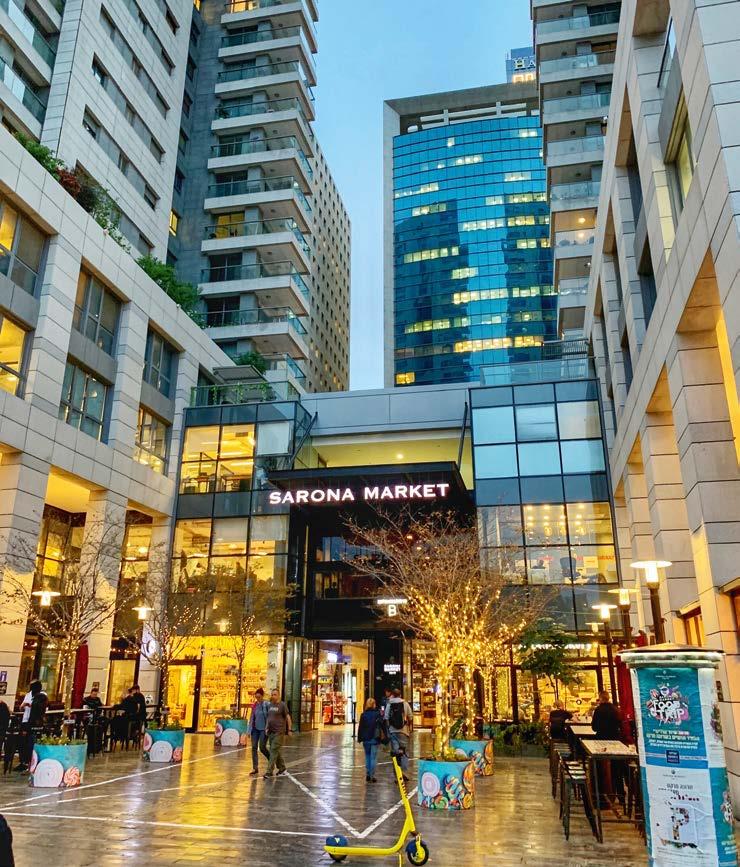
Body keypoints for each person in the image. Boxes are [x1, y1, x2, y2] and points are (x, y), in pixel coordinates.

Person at [17, 680, 46, 772]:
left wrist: (32, 705)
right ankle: (23, 762)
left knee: (30, 742)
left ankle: (30, 761)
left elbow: (39, 710)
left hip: (33, 722)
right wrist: (24, 705)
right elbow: (21, 707)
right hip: (25, 720)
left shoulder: (41, 696)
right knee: (22, 742)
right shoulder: (28, 695)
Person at [385, 688, 413, 782]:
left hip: (393, 731)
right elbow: (410, 716)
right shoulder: (405, 703)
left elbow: (386, 717)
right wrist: (409, 727)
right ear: (400, 695)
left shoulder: (389, 704)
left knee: (395, 753)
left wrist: (389, 728)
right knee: (404, 752)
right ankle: (404, 772)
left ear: (392, 695)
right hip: (403, 731)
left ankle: (397, 774)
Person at [263, 688, 291, 779]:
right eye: (272, 694)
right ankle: (282, 768)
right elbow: (269, 717)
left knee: (273, 750)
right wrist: (266, 727)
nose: (273, 696)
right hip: (271, 732)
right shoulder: (270, 705)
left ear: (278, 695)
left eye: (275, 694)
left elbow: (288, 717)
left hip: (279, 732)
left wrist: (289, 729)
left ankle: (269, 771)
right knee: (276, 750)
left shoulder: (282, 705)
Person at [357, 698, 382, 783]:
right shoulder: (377, 714)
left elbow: (360, 727)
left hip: (366, 739)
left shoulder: (363, 715)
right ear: (374, 704)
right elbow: (381, 725)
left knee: (367, 756)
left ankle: (368, 773)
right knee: (373, 757)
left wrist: (359, 738)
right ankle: (372, 775)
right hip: (374, 738)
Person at [247, 688, 270, 776]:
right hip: (255, 729)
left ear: (262, 696)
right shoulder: (254, 705)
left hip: (264, 729)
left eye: (259, 697)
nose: (258, 699)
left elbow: (269, 717)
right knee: (254, 747)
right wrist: (249, 730)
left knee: (262, 747)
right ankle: (255, 768)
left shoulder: (266, 704)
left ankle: (271, 760)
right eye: (256, 697)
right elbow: (252, 717)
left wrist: (268, 727)